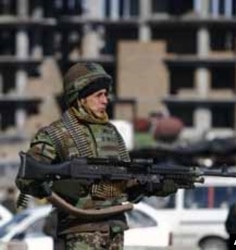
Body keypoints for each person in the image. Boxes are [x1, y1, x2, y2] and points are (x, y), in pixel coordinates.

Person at [15, 62, 177, 250]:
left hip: (114, 232)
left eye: (106, 94)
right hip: (79, 233)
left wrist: (152, 186)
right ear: (79, 98)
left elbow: (121, 186)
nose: (105, 100)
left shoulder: (112, 133)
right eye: (98, 95)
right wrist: (63, 187)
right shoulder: (56, 134)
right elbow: (27, 179)